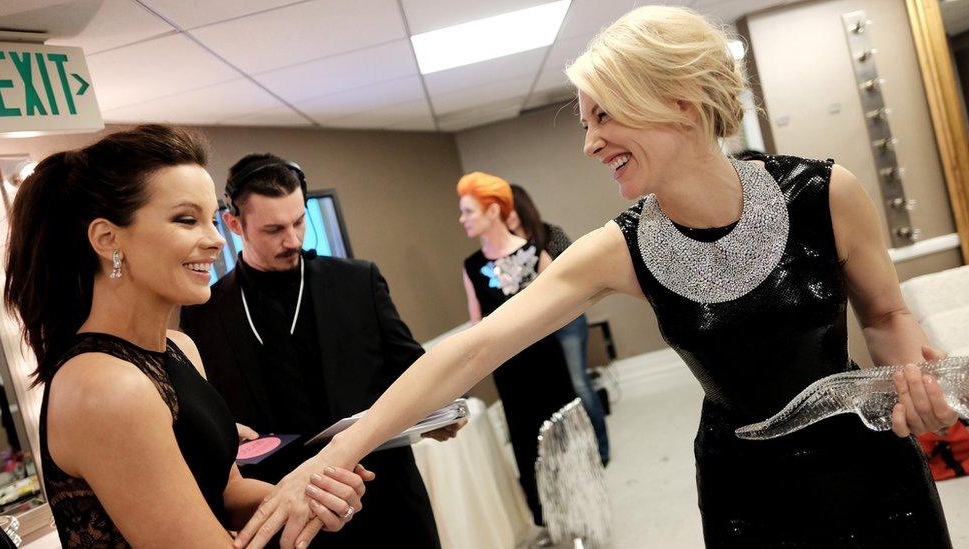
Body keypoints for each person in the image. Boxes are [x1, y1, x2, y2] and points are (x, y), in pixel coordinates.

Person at [239, 6, 959, 549]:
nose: (588, 143)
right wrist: (335, 453)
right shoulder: (617, 249)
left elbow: (886, 313)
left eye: (603, 116)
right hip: (747, 486)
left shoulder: (826, 194)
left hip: (870, 470)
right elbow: (469, 352)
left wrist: (911, 385)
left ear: (678, 101)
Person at [3, 125, 370, 548]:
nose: (215, 240)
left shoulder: (180, 348)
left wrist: (305, 497)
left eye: (212, 219)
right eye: (186, 220)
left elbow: (226, 492)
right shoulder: (105, 386)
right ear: (108, 239)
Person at [180, 153, 450, 549]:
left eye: (299, 221)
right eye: (274, 229)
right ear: (235, 224)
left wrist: (438, 410)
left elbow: (411, 368)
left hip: (385, 497)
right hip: (285, 512)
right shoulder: (203, 313)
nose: (293, 240)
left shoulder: (358, 282)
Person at [457, 172, 576, 535]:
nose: (462, 219)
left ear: (492, 211)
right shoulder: (471, 267)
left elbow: (563, 309)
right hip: (508, 369)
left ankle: (576, 511)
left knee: (561, 433)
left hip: (546, 361)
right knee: (524, 441)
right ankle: (545, 519)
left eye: (468, 211)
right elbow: (477, 323)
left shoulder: (534, 253)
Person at [507, 184, 610, 465]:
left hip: (567, 322)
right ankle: (569, 453)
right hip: (535, 331)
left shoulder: (550, 235)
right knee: (553, 392)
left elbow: (579, 272)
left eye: (510, 208)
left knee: (579, 384)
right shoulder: (504, 250)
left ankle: (601, 449)